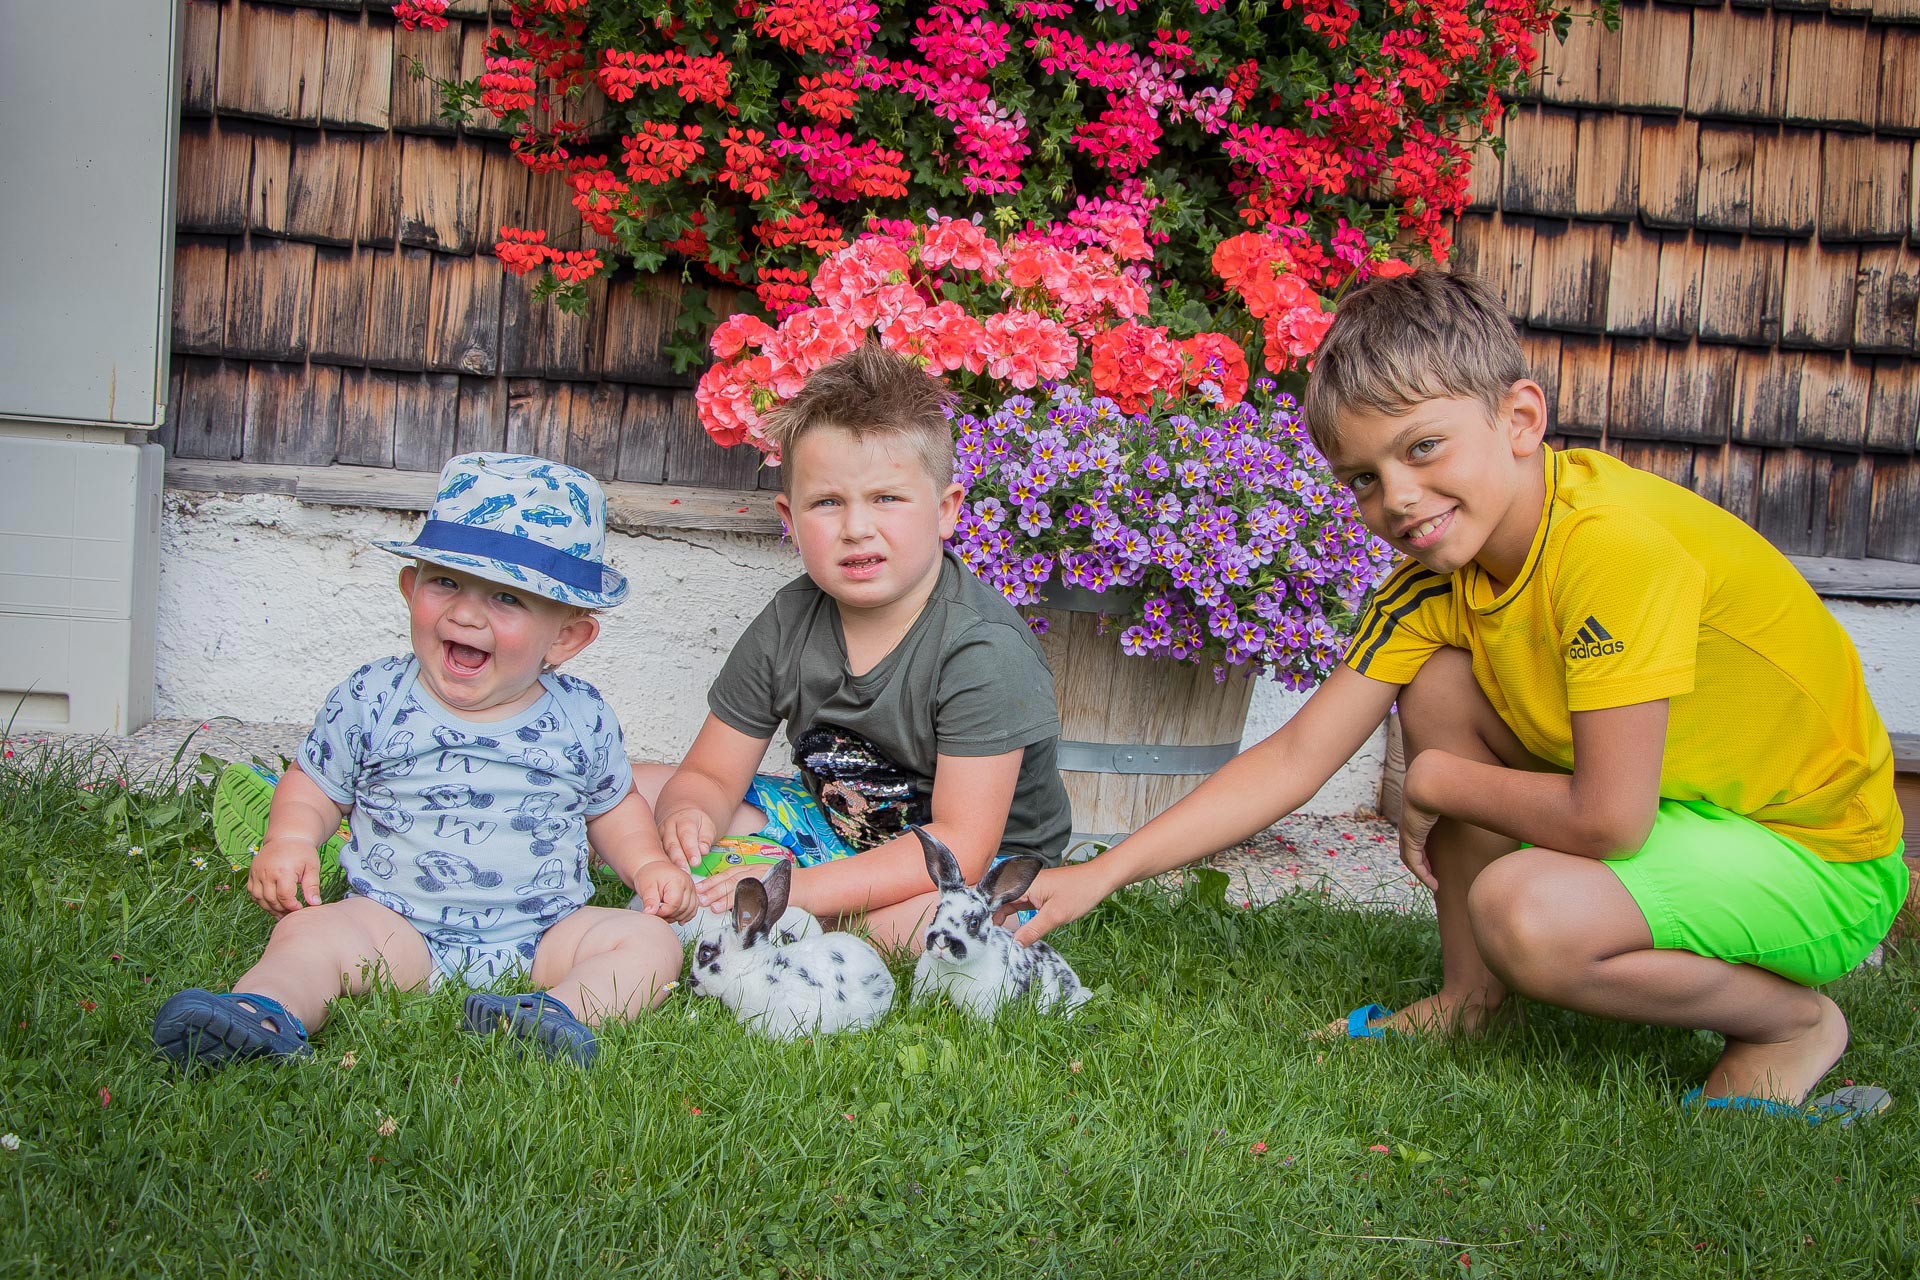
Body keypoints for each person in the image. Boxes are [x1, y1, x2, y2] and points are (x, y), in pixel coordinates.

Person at [1013, 270, 1907, 1118]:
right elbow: (1294, 757)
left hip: (1819, 859)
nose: (1398, 497)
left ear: (1520, 419)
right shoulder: (1436, 578)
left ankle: (1790, 1023)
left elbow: (1609, 821)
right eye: (1363, 478)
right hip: (1693, 811)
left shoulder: (1610, 548)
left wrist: (1435, 782)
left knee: (1526, 911)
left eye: (1423, 447)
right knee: (1438, 678)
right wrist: (1104, 872)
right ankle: (1471, 1000)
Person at [153, 453, 694, 1068]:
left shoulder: (580, 716)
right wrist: (289, 838)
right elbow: (316, 782)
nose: (465, 614)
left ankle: (555, 1014)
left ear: (566, 637)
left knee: (649, 940)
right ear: (411, 587)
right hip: (395, 925)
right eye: (446, 583)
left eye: (506, 598)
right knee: (310, 934)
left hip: (545, 932)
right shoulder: (374, 698)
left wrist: (647, 862)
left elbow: (612, 804)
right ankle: (262, 1010)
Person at [637, 344, 1072, 951]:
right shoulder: (789, 621)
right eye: (827, 502)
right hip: (836, 823)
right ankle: (769, 904)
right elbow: (710, 772)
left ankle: (790, 916)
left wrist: (792, 887)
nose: (856, 527)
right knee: (627, 789)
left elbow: (962, 849)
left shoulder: (981, 650)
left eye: (887, 498)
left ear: (947, 511)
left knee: (930, 926)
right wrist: (689, 815)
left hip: (970, 865)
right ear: (789, 516)